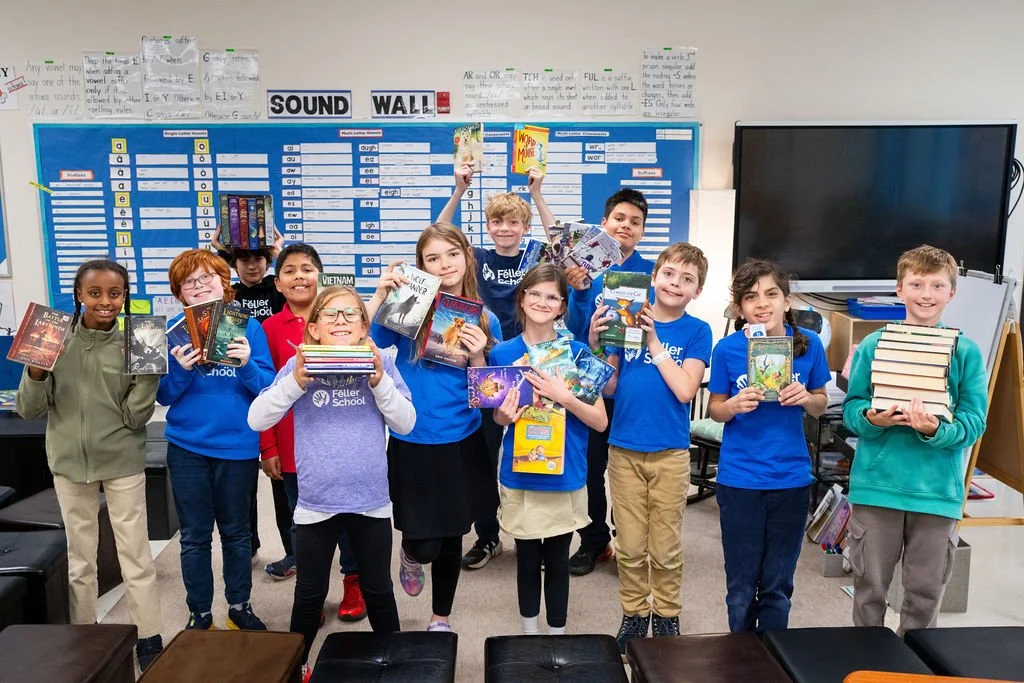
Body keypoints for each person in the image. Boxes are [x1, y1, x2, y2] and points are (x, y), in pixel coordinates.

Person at [249, 286, 413, 682]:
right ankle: (296, 666)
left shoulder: (382, 364)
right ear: (315, 328)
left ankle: (393, 666)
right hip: (316, 502)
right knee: (309, 593)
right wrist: (295, 383)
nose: (340, 321)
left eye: (350, 315)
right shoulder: (297, 364)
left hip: (370, 500)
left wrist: (378, 382)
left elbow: (406, 422)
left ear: (363, 327)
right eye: (331, 314)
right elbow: (257, 419)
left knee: (378, 589)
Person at [16, 259, 165, 670]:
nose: (105, 302)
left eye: (114, 294)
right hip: (68, 462)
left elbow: (136, 418)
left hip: (121, 461)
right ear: (78, 295)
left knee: (134, 554)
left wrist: (146, 374)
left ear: (125, 297)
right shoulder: (52, 338)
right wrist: (36, 370)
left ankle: (149, 634)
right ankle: (85, 629)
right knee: (80, 558)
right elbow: (29, 410)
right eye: (95, 293)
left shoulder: (140, 339)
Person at [843, 245, 987, 634]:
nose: (926, 293)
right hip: (877, 489)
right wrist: (874, 419)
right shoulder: (874, 345)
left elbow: (974, 423)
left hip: (936, 493)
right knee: (869, 589)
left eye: (937, 285)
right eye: (917, 284)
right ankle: (867, 663)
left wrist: (935, 430)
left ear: (951, 293)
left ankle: (917, 668)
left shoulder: (967, 352)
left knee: (925, 595)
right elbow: (853, 408)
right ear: (899, 289)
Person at [366, 223, 502, 632]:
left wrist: (478, 357)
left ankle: (440, 618)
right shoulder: (408, 304)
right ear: (421, 265)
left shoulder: (483, 317)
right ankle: (409, 551)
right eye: (432, 258)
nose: (445, 264)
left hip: (461, 440)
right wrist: (379, 294)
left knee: (452, 537)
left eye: (452, 253)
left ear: (467, 257)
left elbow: (487, 395)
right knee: (424, 541)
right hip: (411, 437)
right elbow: (361, 343)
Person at [589, 243, 712, 652]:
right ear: (654, 276)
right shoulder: (625, 316)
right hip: (623, 448)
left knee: (665, 545)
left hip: (670, 453)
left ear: (697, 291)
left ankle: (666, 615)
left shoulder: (697, 330)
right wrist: (596, 343)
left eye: (687, 279)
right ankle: (634, 613)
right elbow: (606, 386)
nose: (676, 283)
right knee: (629, 543)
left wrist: (654, 342)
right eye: (670, 274)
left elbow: (684, 389)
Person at [437, 164, 556, 570]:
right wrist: (458, 191)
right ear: (487, 226)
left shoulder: (535, 254)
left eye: (513, 222)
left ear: (524, 226)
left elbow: (561, 242)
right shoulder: (478, 255)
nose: (504, 229)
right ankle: (488, 535)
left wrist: (537, 195)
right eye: (497, 222)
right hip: (487, 361)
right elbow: (438, 236)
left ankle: (539, 533)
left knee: (536, 445)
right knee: (486, 455)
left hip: (533, 358)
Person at [708, 259, 831, 633]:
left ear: (787, 301)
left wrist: (806, 398)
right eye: (750, 297)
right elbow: (715, 408)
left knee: (778, 586)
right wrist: (732, 406)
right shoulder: (727, 349)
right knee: (741, 587)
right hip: (740, 480)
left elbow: (822, 401)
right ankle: (741, 660)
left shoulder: (808, 348)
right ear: (740, 309)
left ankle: (774, 659)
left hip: (791, 479)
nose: (762, 303)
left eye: (771, 294)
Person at [157, 249, 276, 631]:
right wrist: (182, 370)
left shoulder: (248, 327)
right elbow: (164, 395)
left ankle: (239, 605)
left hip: (238, 446)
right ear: (180, 293)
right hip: (187, 446)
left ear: (224, 283)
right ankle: (200, 611)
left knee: (236, 532)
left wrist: (244, 366)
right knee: (194, 536)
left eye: (208, 277)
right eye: (191, 282)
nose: (201, 285)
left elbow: (268, 388)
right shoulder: (173, 329)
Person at [490, 264, 607, 635]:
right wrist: (503, 417)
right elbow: (497, 418)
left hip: (565, 470)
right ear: (521, 299)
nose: (542, 301)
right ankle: (529, 636)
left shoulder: (578, 352)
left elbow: (600, 421)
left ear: (562, 307)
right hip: (520, 470)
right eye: (534, 293)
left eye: (552, 296)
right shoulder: (503, 353)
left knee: (557, 558)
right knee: (525, 557)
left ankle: (556, 637)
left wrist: (565, 397)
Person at [259, 243, 367, 621]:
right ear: (278, 282)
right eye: (289, 270)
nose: (299, 276)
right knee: (301, 523)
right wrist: (268, 445)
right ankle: (312, 591)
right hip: (291, 448)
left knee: (350, 523)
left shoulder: (342, 323)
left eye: (307, 268)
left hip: (341, 442)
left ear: (319, 275)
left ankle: (354, 584)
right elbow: (266, 392)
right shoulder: (269, 329)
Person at [564, 188, 654, 576]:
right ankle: (594, 540)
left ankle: (629, 540)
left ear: (642, 231)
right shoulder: (584, 268)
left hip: (634, 385)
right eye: (619, 218)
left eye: (635, 222)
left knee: (630, 466)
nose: (626, 226)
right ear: (603, 224)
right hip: (593, 381)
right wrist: (582, 291)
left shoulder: (653, 273)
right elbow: (573, 328)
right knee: (590, 465)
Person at [218, 237, 285, 563]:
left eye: (259, 258)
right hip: (244, 387)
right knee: (244, 483)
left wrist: (278, 252)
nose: (252, 264)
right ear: (233, 262)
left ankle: (293, 548)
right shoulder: (231, 295)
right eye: (243, 259)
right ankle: (250, 541)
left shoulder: (277, 287)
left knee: (279, 473)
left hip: (279, 381)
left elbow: (294, 283)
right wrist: (219, 248)